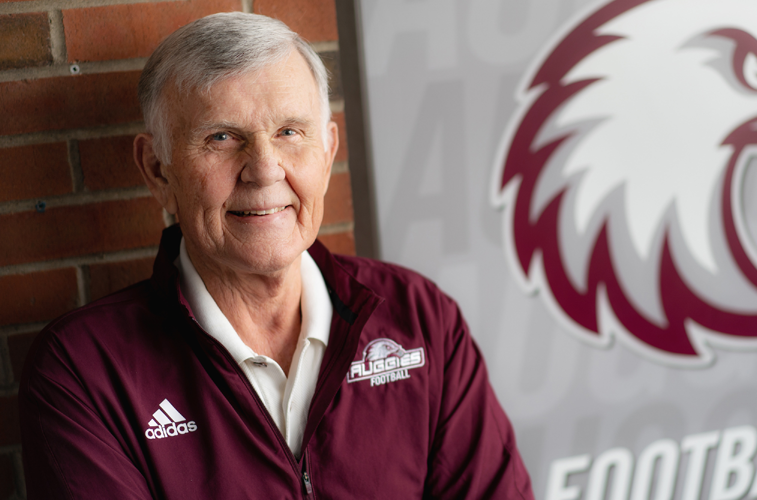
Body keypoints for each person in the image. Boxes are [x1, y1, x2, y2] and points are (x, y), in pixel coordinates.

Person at [18, 12, 534, 499]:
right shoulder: (84, 372)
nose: (264, 169)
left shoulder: (422, 319)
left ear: (328, 152)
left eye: (289, 132)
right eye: (221, 138)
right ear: (158, 170)